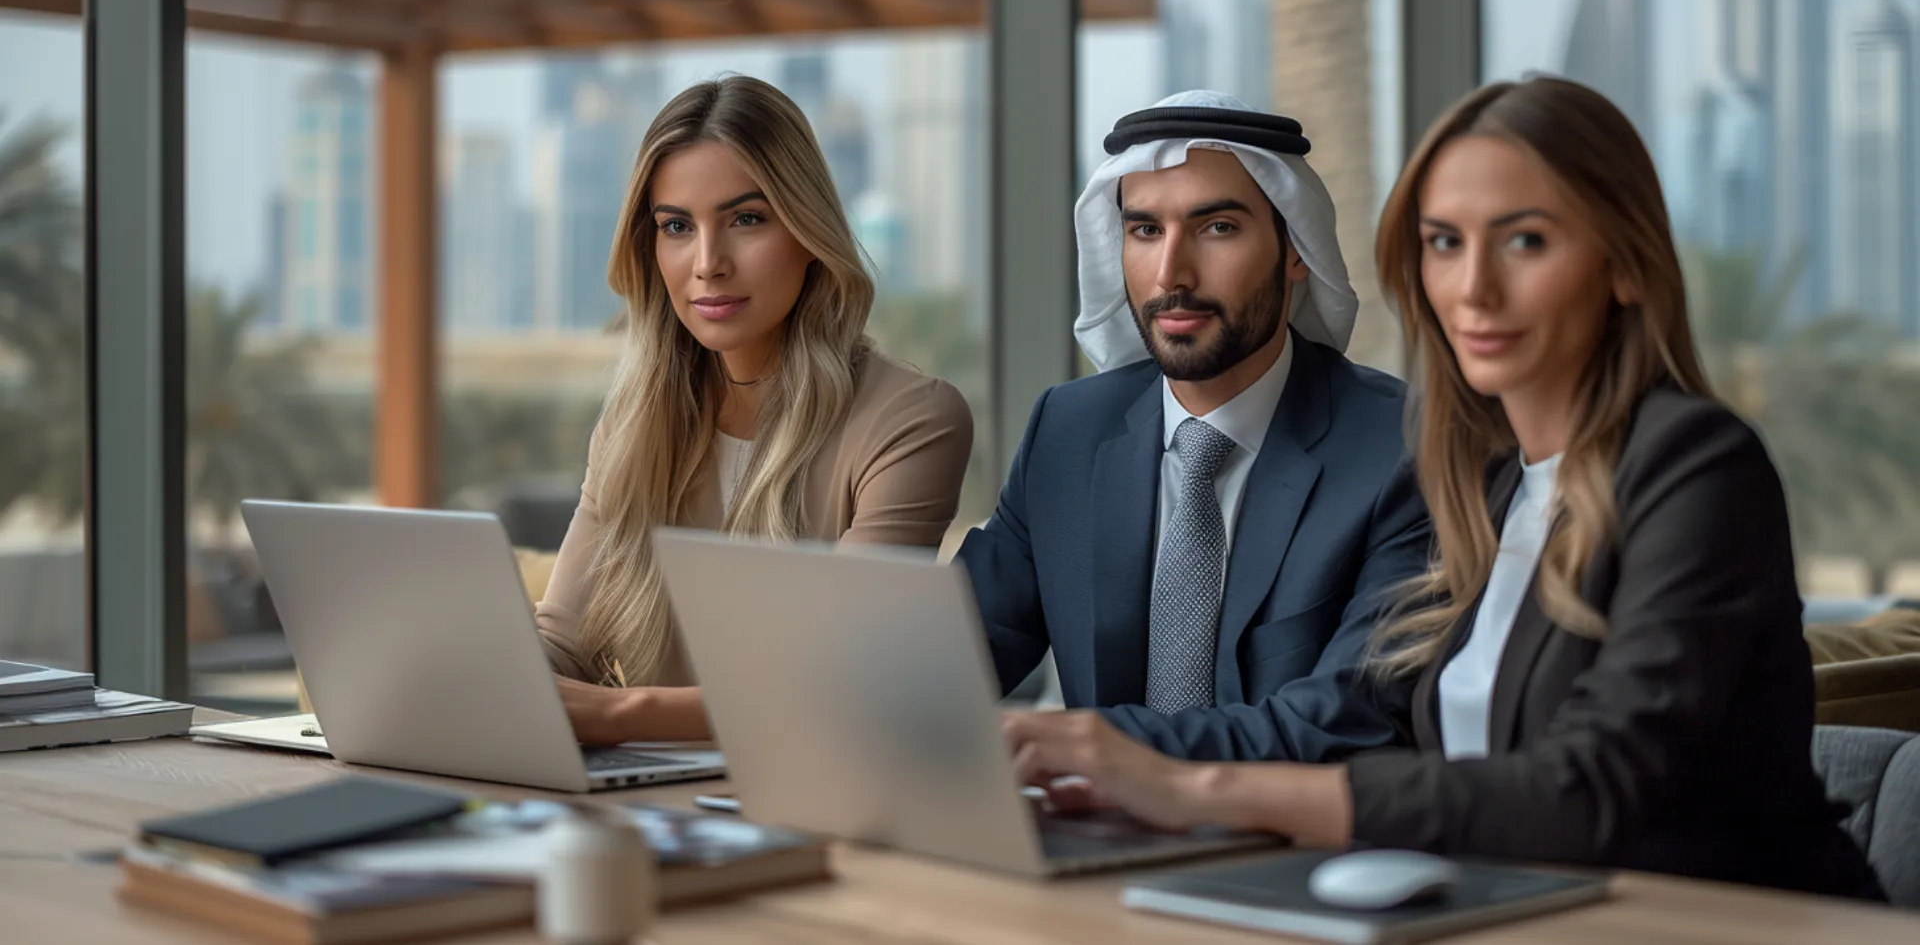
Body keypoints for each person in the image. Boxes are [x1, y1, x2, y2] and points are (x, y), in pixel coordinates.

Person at [1000, 76, 1885, 900]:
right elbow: (1434, 743)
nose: (1475, 288)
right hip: (1513, 908)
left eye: (1525, 241)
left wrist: (1184, 782)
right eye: (1445, 244)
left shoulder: (1695, 466)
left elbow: (1586, 791)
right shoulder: (1486, 484)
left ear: (1625, 265)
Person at [961, 91, 1431, 763]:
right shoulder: (1068, 431)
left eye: (1217, 229)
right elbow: (953, 653)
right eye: (1145, 230)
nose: (1170, 274)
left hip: (1294, 853)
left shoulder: (1402, 448)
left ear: (1295, 250)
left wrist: (1097, 747)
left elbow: (1344, 719)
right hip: (1093, 843)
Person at [536, 75, 973, 745]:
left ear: (806, 231)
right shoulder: (635, 424)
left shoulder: (911, 422)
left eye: (746, 219)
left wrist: (624, 715)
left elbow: (841, 681)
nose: (708, 264)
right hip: (647, 804)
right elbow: (562, 638)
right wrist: (488, 681)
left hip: (817, 799)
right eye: (677, 227)